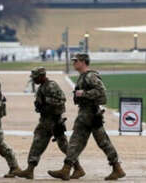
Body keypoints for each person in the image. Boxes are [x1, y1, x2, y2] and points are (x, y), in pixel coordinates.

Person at [48, 53, 125, 181]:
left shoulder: (90, 76)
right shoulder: (83, 77)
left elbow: (101, 93)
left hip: (90, 114)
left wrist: (83, 93)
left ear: (83, 62)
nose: (74, 63)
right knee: (82, 141)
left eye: (76, 61)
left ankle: (116, 168)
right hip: (87, 114)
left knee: (94, 142)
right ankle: (69, 169)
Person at [13, 68, 84, 179]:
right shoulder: (42, 87)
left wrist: (46, 102)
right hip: (45, 121)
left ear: (42, 76)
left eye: (35, 77)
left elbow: (62, 99)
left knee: (64, 145)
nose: (34, 80)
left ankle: (78, 168)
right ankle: (30, 169)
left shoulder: (51, 85)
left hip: (54, 121)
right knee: (37, 143)